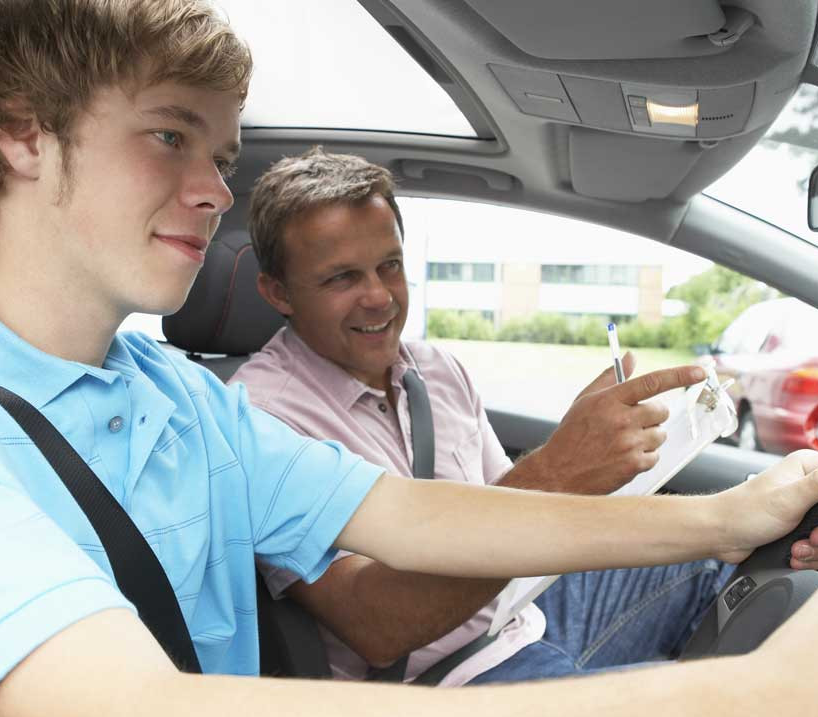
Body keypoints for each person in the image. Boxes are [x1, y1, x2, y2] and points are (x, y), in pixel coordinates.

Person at [0, 1, 818, 717]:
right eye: (171, 138)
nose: (213, 189)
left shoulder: (168, 393)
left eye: (223, 150)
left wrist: (726, 518)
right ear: (22, 138)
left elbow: (417, 513)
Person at [233, 147, 742, 685]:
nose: (379, 297)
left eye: (390, 266)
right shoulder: (260, 418)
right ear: (278, 293)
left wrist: (593, 459)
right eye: (342, 278)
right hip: (438, 688)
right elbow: (377, 627)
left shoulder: (437, 369)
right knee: (693, 715)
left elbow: (508, 503)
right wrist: (558, 471)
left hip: (519, 617)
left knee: (728, 571)